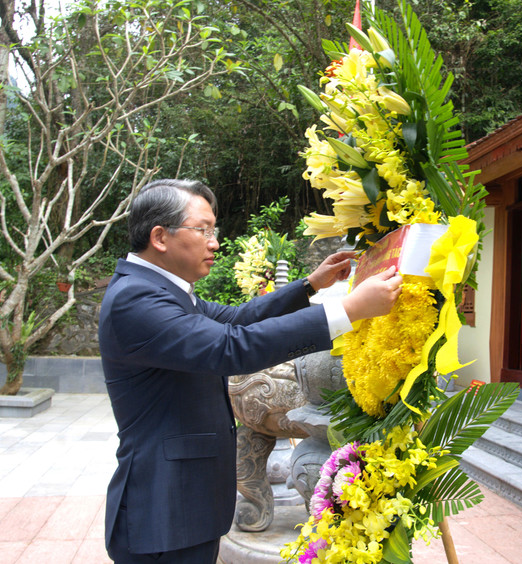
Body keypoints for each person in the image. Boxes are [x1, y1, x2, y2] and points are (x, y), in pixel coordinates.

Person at [99, 179, 402, 563]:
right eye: (203, 230)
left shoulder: (163, 290)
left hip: (182, 504)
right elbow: (231, 347)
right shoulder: (136, 298)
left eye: (214, 230)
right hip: (163, 508)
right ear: (160, 236)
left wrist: (309, 285)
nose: (214, 242)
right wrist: (348, 311)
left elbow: (235, 319)